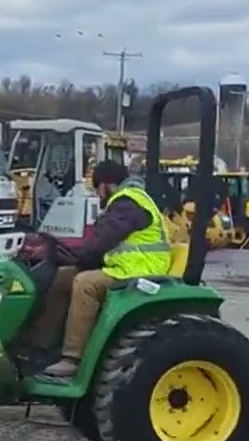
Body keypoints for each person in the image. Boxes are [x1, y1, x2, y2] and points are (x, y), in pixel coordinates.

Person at [17, 159, 173, 378]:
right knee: (62, 277)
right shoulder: (129, 200)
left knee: (85, 283)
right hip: (127, 266)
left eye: (97, 189)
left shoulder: (127, 203)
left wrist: (73, 254)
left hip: (140, 271)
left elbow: (100, 243)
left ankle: (72, 358)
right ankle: (38, 346)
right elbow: (101, 247)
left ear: (105, 185)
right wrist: (67, 257)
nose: (98, 196)